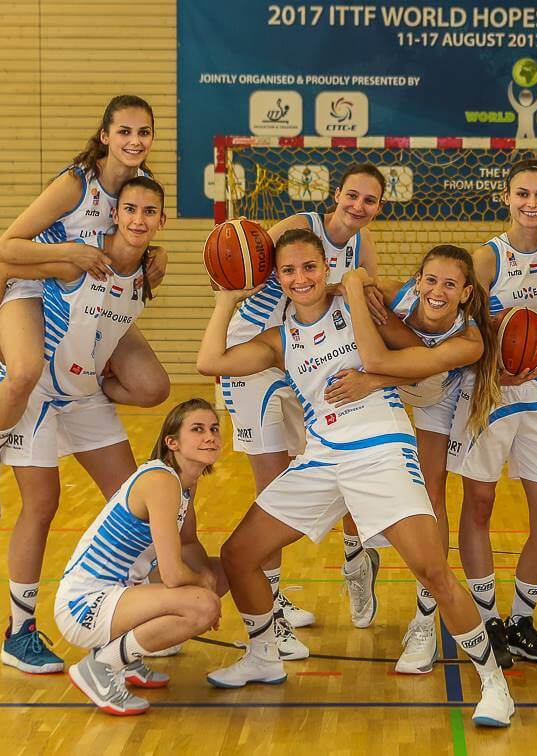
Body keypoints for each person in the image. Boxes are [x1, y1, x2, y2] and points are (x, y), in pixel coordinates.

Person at [196, 228, 515, 727]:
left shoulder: (360, 306)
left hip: (381, 448)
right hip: (322, 457)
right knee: (238, 555)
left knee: (432, 571)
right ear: (276, 277)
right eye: (288, 271)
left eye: (309, 267)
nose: (300, 278)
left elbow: (418, 364)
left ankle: (494, 684)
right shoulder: (280, 339)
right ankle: (263, 656)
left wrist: (372, 374)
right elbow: (209, 362)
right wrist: (226, 300)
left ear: (326, 267)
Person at [0, 176, 169, 674]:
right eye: (130, 209)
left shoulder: (147, 273)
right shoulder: (78, 257)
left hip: (84, 393)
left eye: (149, 212)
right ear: (115, 213)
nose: (138, 219)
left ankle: (122, 624)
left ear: (161, 221)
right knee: (41, 504)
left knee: (132, 500)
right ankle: (18, 633)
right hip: (37, 390)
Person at [0, 95, 170, 529]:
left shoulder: (143, 183)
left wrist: (159, 253)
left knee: (152, 385)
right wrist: (69, 253)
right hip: (38, 281)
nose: (135, 141)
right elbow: (4, 249)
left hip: (92, 289)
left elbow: (136, 236)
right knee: (25, 370)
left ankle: (83, 392)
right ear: (105, 136)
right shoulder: (76, 184)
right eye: (124, 131)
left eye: (144, 132)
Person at [220, 163, 385, 658]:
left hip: (309, 358)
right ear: (336, 195)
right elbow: (243, 267)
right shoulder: (300, 227)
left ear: (379, 207)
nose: (358, 206)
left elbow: (370, 298)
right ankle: (269, 610)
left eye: (369, 200)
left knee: (342, 460)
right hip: (255, 354)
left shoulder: (363, 246)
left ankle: (356, 559)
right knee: (273, 487)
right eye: (352, 195)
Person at [329, 245, 498, 674]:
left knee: (430, 494)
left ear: (466, 293)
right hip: (388, 376)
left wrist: (371, 380)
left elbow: (422, 371)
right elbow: (352, 282)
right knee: (353, 472)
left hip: (435, 392)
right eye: (431, 280)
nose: (437, 291)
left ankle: (425, 616)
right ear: (417, 280)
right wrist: (355, 281)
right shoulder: (396, 295)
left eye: (450, 284)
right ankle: (356, 559)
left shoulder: (469, 341)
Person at [446, 158, 537, 667]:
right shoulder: (487, 258)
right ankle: (487, 620)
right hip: (491, 395)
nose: (531, 203)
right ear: (506, 197)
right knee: (479, 506)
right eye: (522, 193)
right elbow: (460, 329)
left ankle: (521, 619)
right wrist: (493, 353)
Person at [56, 399, 226, 716]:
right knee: (203, 605)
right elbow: (173, 574)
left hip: (119, 591)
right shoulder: (161, 481)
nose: (210, 437)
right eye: (197, 429)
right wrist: (202, 587)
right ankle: (101, 666)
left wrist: (208, 578)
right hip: (84, 605)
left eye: (214, 429)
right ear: (172, 442)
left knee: (222, 572)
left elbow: (185, 548)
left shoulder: (183, 482)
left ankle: (126, 657)